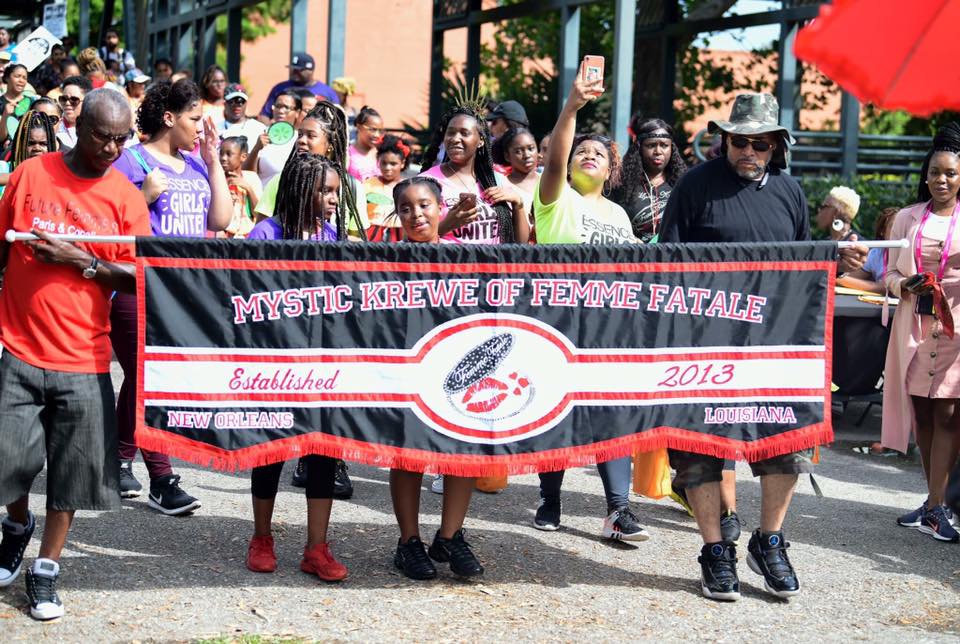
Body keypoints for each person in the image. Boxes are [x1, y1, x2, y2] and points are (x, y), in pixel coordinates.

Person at [0, 89, 151, 621]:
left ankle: (46, 570)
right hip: (19, 346)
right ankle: (16, 525)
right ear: (77, 127)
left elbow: (140, 275)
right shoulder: (30, 176)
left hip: (84, 358)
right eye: (101, 136)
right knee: (6, 461)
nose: (112, 148)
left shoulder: (124, 198)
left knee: (72, 474)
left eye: (122, 138)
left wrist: (81, 260)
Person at [659, 92, 810, 601]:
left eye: (760, 144)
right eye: (739, 141)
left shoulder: (791, 192)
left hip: (771, 343)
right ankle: (715, 550)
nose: (749, 151)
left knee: (785, 443)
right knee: (698, 450)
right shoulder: (695, 185)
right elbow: (668, 264)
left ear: (775, 147)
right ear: (725, 141)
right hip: (704, 342)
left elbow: (806, 271)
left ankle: (769, 541)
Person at [529, 66, 644, 542]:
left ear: (612, 168)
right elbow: (555, 159)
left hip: (609, 327)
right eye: (582, 151)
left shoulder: (619, 214)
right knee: (560, 412)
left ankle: (619, 509)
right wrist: (572, 107)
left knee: (611, 412)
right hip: (560, 321)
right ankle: (550, 496)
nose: (589, 156)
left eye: (599, 153)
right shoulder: (555, 199)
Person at [110, 78, 232, 515]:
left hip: (183, 293)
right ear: (169, 117)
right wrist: (144, 197)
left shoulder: (197, 165)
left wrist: (213, 161)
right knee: (148, 377)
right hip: (135, 286)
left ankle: (119, 459)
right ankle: (162, 478)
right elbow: (108, 231)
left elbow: (220, 219)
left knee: (146, 378)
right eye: (195, 119)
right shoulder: (129, 161)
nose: (201, 127)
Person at [243, 152, 351, 582]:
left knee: (324, 449)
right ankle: (262, 536)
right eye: (325, 191)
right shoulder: (265, 232)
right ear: (300, 189)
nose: (332, 200)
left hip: (323, 361)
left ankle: (316, 547)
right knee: (269, 449)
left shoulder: (333, 233)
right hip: (276, 361)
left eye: (336, 192)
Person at [389, 175, 485, 580]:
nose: (416, 214)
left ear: (440, 207)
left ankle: (449, 535)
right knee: (408, 455)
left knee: (461, 453)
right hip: (408, 372)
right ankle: (408, 542)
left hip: (455, 370)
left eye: (425, 204)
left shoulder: (465, 257)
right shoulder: (387, 260)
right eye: (406, 208)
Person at [883, 122, 960, 543]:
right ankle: (935, 504)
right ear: (925, 175)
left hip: (957, 331)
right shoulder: (907, 219)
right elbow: (890, 272)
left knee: (948, 411)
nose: (941, 180)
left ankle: (938, 503)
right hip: (915, 329)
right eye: (935, 173)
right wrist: (903, 285)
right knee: (924, 413)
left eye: (949, 173)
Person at [419, 104, 529, 245]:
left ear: (481, 141)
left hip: (492, 265)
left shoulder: (497, 180)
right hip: (450, 265)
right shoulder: (425, 182)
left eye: (464, 133)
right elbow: (412, 244)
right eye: (450, 132)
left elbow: (521, 244)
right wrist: (447, 225)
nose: (455, 138)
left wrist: (517, 203)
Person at [611, 115, 688, 242]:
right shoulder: (620, 184)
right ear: (639, 148)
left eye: (664, 145)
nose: (658, 151)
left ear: (672, 148)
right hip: (633, 256)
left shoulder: (684, 183)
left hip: (673, 257)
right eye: (651, 145)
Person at [258, 53, 338, 125]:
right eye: (293, 69)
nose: (294, 72)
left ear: (310, 70)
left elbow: (336, 118)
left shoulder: (327, 92)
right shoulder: (280, 88)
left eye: (299, 70)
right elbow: (264, 115)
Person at [837, 207, 898, 294]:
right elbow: (853, 278)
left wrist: (833, 277)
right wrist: (835, 274)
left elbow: (888, 287)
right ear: (882, 231)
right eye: (895, 226)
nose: (901, 231)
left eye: (904, 226)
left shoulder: (913, 253)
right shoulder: (876, 253)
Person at [245, 89, 300, 185]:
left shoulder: (300, 139)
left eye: (286, 107)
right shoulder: (259, 134)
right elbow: (248, 174)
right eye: (278, 106)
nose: (281, 111)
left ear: (297, 112)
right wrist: (256, 149)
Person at [0, 109, 58, 197]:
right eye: (31, 143)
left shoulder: (57, 175)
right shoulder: (4, 168)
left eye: (43, 144)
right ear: (21, 144)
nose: (37, 148)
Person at [364, 134, 410, 242]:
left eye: (393, 164)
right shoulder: (367, 185)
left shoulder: (408, 188)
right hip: (371, 237)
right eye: (384, 163)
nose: (387, 168)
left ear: (402, 163)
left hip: (399, 237)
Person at [220, 135, 262, 238]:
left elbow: (259, 214)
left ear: (243, 157)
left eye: (229, 154)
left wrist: (248, 188)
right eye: (221, 154)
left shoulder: (252, 178)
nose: (223, 158)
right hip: (224, 236)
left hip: (248, 236)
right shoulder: (217, 178)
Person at [491, 127, 539, 215]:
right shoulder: (501, 185)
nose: (527, 155)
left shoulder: (548, 179)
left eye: (531, 148)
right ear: (507, 156)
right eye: (518, 151)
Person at [55, 75, 92, 150]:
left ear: (86, 101)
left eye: (74, 100)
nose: (67, 103)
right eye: (64, 99)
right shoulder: (54, 127)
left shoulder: (95, 128)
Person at [348, 105, 384, 182]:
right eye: (372, 129)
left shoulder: (382, 153)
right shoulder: (348, 154)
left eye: (380, 131)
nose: (377, 135)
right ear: (359, 127)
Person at [0, 64, 29, 142]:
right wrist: (5, 115)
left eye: (24, 78)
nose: (21, 80)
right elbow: (1, 138)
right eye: (17, 76)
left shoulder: (32, 102)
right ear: (7, 78)